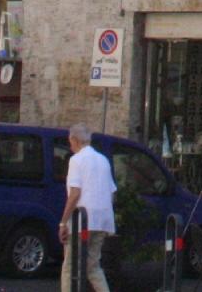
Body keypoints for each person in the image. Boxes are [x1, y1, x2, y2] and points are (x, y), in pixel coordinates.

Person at [59, 123, 117, 292]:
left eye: (70, 141)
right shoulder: (103, 160)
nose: (70, 145)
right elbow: (112, 192)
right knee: (93, 266)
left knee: (69, 266)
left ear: (74, 140)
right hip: (103, 220)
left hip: (82, 220)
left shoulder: (76, 160)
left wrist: (63, 223)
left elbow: (75, 193)